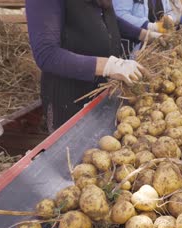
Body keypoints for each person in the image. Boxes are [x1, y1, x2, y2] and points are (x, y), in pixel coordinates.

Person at [26, 0, 159, 132]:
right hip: (69, 99)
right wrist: (108, 65)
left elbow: (109, 20)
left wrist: (145, 34)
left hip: (102, 93)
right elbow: (47, 54)